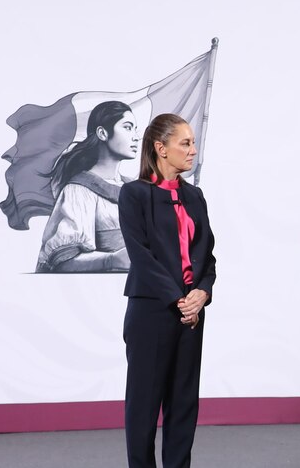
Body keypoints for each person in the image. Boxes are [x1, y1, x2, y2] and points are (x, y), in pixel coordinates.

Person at [119, 114, 217, 468]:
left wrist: (201, 294)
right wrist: (180, 300)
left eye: (192, 142)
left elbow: (208, 257)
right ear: (161, 149)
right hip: (152, 313)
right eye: (185, 143)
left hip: (192, 314)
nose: (193, 150)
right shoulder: (133, 195)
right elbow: (142, 257)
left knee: (183, 405)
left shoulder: (195, 196)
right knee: (143, 407)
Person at [36, 100, 140, 272]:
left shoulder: (137, 189)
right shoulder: (78, 191)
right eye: (128, 127)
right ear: (102, 133)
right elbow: (62, 261)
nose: (136, 136)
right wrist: (112, 260)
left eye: (135, 129)